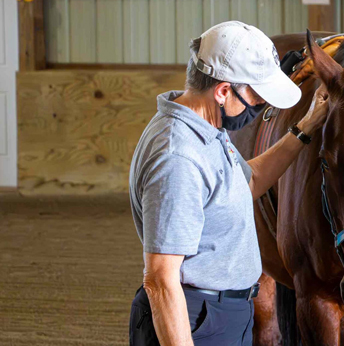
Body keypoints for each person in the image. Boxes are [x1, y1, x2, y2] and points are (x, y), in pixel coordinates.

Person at [128, 21, 328, 345]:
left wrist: (305, 127)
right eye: (258, 97)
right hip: (196, 321)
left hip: (219, 315)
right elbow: (161, 279)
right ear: (223, 91)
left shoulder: (205, 130)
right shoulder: (178, 157)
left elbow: (245, 183)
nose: (261, 106)